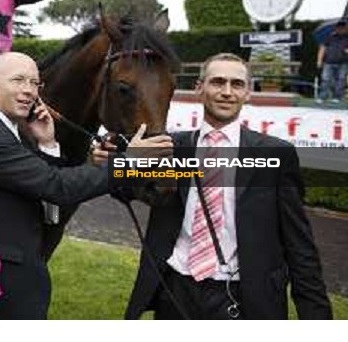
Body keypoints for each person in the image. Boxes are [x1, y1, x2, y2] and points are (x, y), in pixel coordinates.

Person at [122, 53, 332, 320]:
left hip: (244, 299)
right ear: (199, 88)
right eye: (217, 82)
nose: (227, 92)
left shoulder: (277, 155)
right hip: (174, 291)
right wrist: (118, 162)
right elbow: (125, 188)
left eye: (237, 84)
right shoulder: (169, 148)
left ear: (248, 93)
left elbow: (300, 247)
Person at [0, 52, 152, 319]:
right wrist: (128, 163)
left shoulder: (10, 128)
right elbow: (56, 186)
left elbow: (45, 190)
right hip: (1, 283)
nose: (29, 91)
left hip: (16, 276)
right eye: (19, 80)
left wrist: (47, 144)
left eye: (35, 83)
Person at [317, 19, 348, 103]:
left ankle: (337, 97)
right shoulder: (329, 37)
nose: (341, 29)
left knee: (341, 80)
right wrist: (319, 60)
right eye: (339, 27)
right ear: (336, 28)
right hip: (328, 62)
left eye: (343, 27)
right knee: (325, 80)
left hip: (343, 63)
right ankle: (322, 97)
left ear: (346, 28)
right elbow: (322, 48)